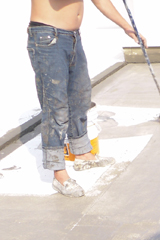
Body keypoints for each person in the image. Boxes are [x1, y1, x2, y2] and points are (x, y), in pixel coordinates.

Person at [28, 0, 146, 197]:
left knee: (80, 97)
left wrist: (127, 27)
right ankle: (59, 174)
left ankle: (82, 153)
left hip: (72, 37)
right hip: (48, 37)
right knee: (55, 106)